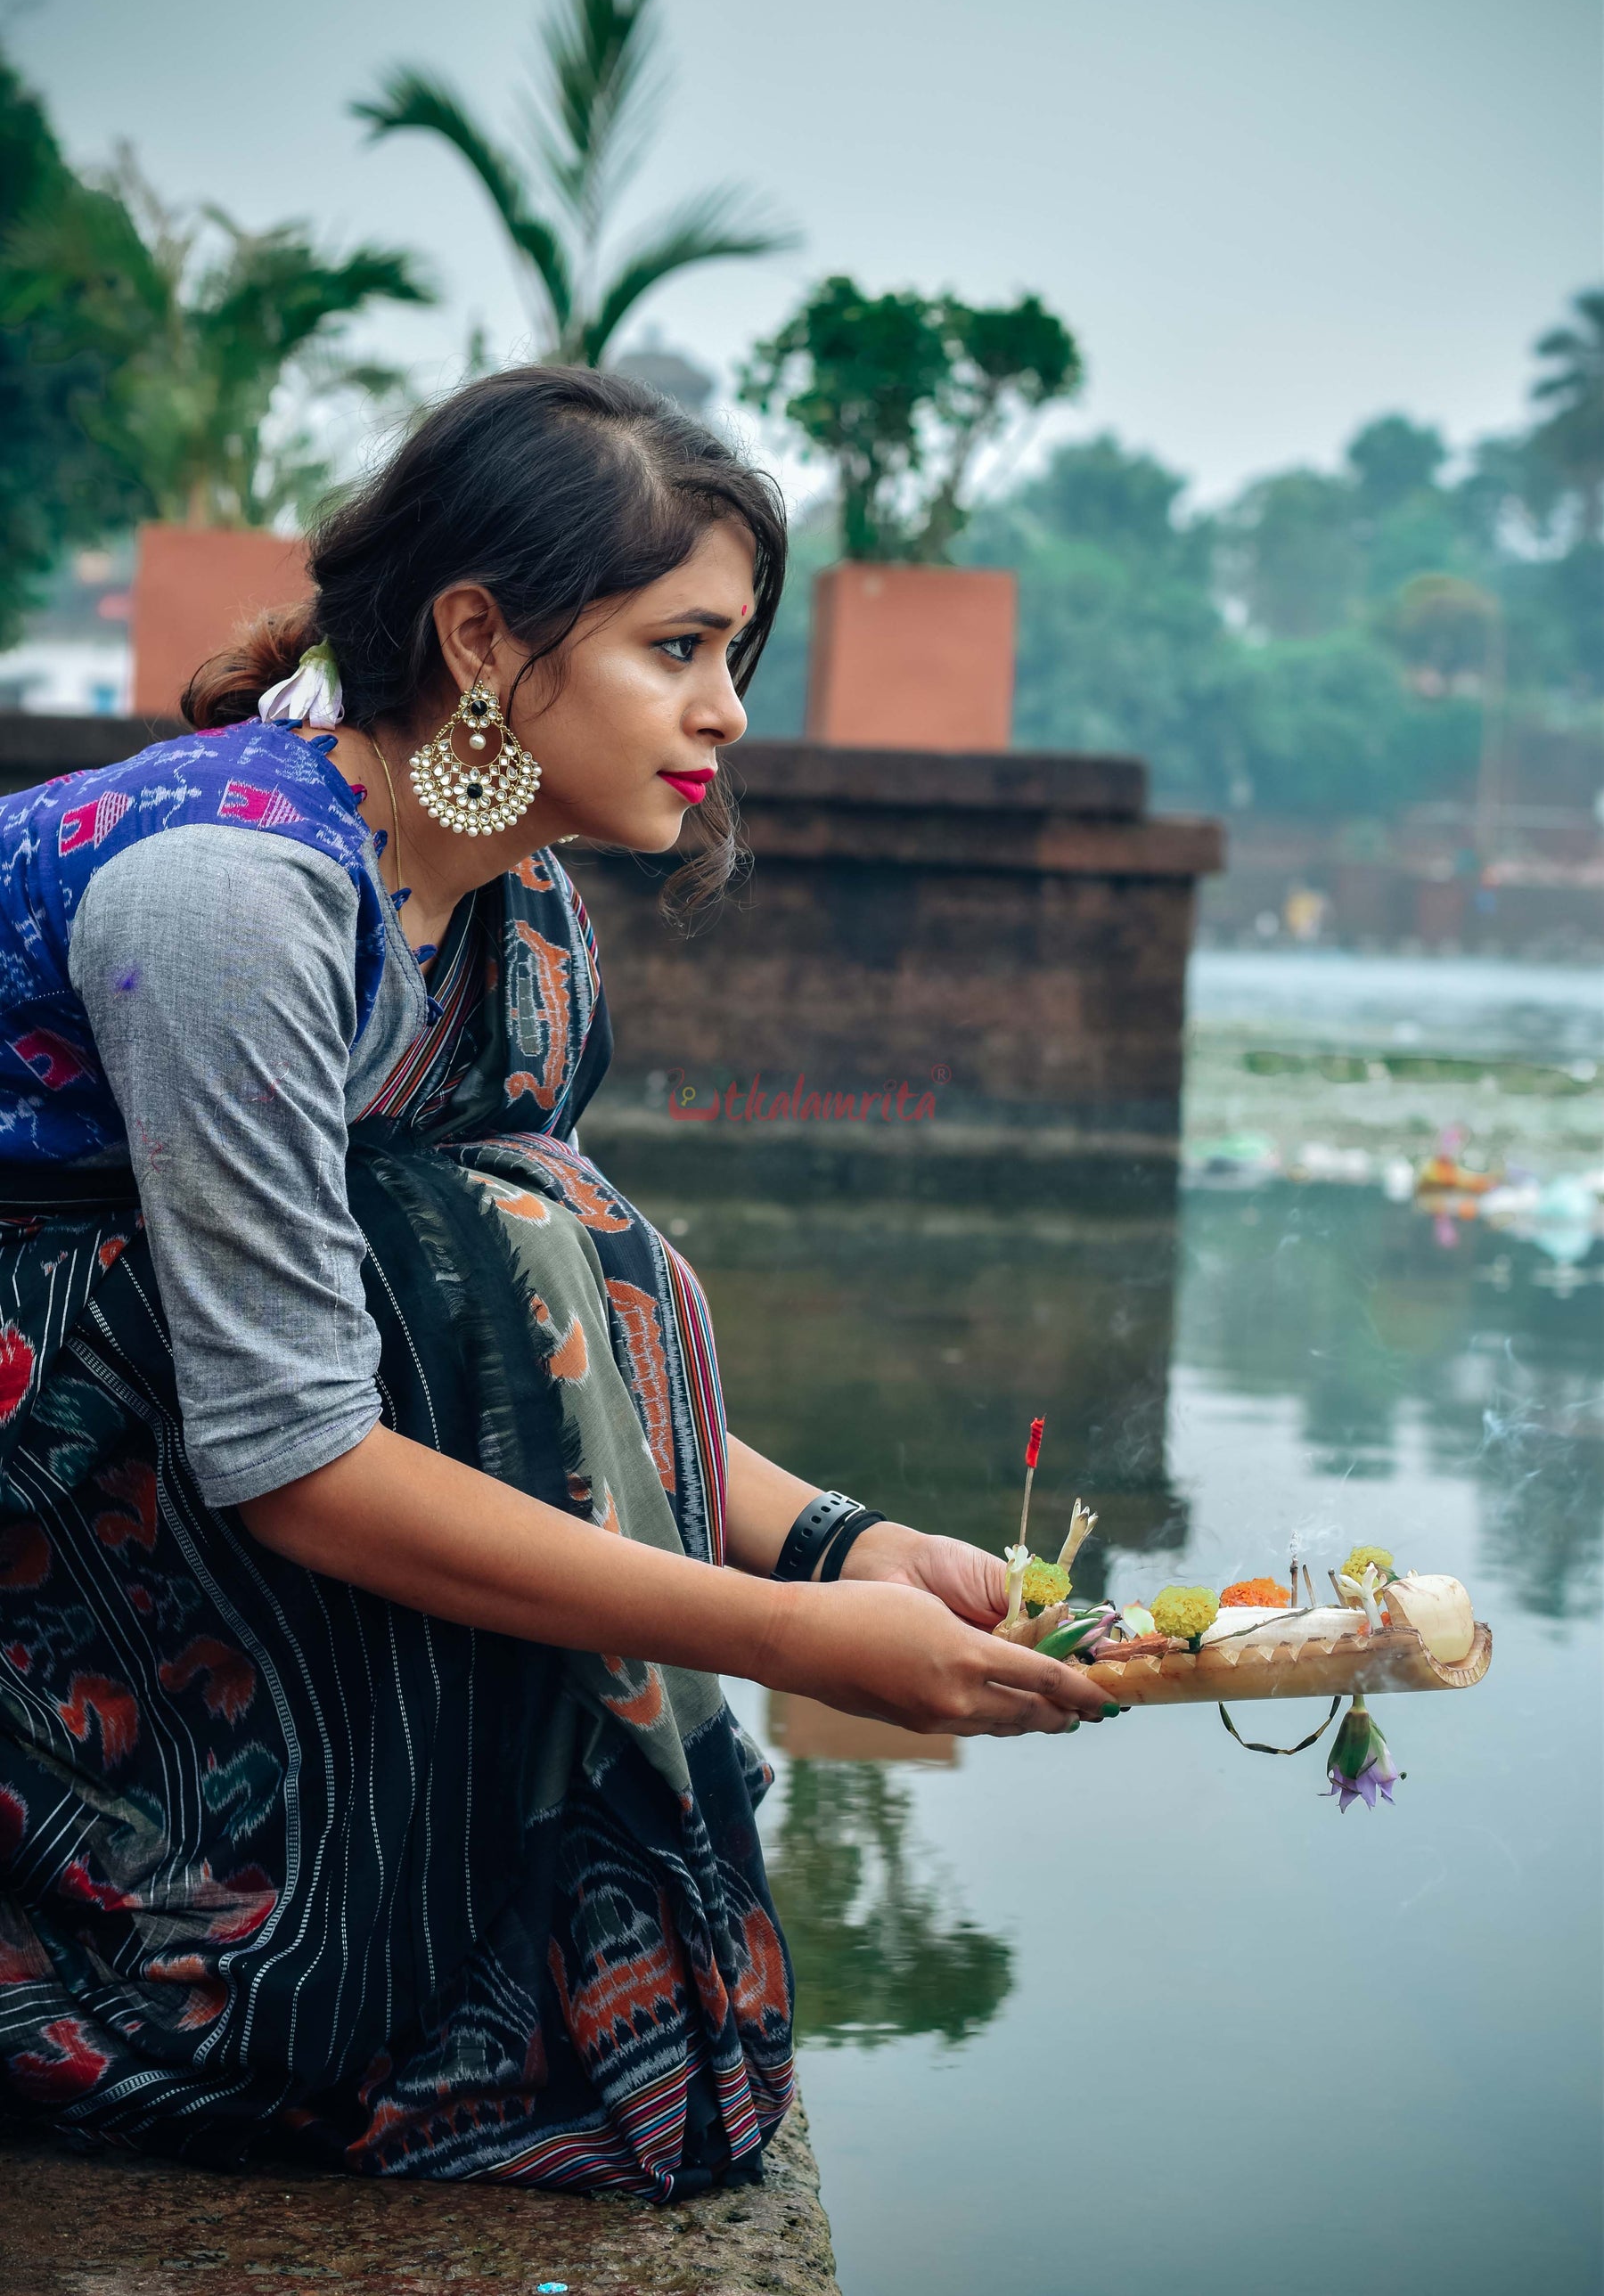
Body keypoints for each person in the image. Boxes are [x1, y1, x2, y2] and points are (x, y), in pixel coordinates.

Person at [0, 368, 1106, 2194]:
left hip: (207, 1436)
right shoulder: (231, 903)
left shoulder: (514, 907)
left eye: (736, 651)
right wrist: (792, 1643)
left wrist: (841, 1548)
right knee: (465, 1240)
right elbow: (288, 1445)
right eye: (679, 645)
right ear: (479, 638)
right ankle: (180, 1955)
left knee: (524, 1223)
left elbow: (563, 1326)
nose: (726, 712)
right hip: (103, 1463)